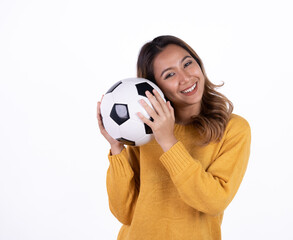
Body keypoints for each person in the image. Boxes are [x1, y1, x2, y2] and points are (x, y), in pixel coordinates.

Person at [96, 35, 251, 240]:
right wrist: (116, 148)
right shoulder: (142, 130)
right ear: (154, 88)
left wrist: (168, 141)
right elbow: (124, 213)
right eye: (170, 74)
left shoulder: (233, 129)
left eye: (187, 63)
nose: (186, 77)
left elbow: (214, 201)